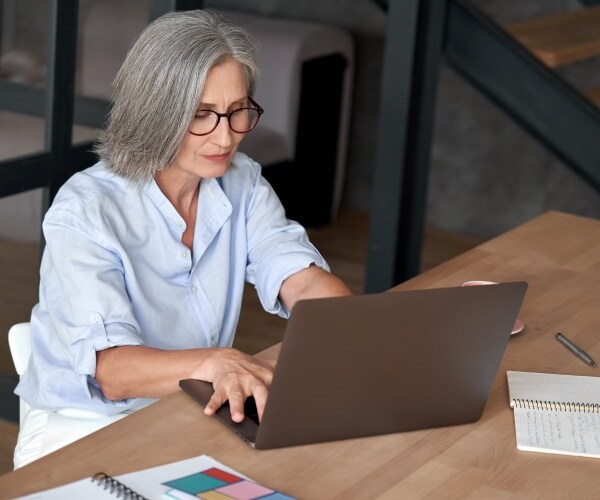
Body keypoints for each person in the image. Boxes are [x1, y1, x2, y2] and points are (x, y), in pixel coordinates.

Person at [13, 9, 352, 468]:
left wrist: (346, 330)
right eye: (202, 116)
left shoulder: (243, 183)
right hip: (87, 424)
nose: (227, 136)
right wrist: (218, 362)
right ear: (157, 113)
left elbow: (300, 276)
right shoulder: (85, 211)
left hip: (191, 408)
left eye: (238, 112)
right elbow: (113, 372)